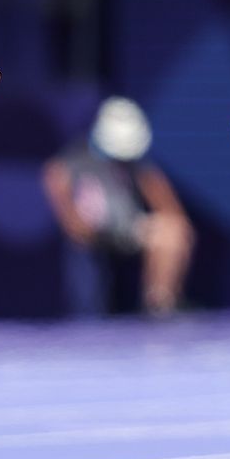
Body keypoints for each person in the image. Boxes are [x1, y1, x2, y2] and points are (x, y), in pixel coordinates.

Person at [44, 96, 193, 317]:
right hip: (90, 237)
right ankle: (85, 319)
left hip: (129, 231)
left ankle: (160, 305)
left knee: (172, 233)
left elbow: (172, 213)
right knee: (80, 258)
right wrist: (98, 231)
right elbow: (73, 226)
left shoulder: (140, 166)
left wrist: (139, 230)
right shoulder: (68, 166)